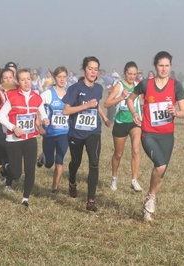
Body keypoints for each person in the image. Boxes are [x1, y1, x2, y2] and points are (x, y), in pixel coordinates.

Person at [127, 51, 184, 222]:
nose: (164, 69)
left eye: (167, 66)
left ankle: (149, 202)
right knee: (159, 167)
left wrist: (175, 112)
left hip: (167, 136)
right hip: (149, 134)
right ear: (155, 66)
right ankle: (151, 199)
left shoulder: (176, 86)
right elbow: (130, 99)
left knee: (161, 174)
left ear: (170, 67)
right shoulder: (146, 84)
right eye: (161, 65)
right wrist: (134, 113)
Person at [62, 56, 111, 212]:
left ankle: (91, 200)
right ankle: (72, 182)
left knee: (94, 163)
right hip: (76, 133)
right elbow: (66, 110)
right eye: (90, 68)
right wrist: (85, 106)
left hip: (93, 131)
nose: (93, 72)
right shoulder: (75, 88)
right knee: (75, 162)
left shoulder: (98, 89)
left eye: (96, 69)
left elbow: (95, 106)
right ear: (84, 70)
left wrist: (103, 117)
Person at [0, 69, 49, 207]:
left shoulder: (36, 96)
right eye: (22, 80)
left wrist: (45, 119)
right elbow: (0, 117)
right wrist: (14, 127)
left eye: (28, 79)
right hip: (14, 140)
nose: (26, 82)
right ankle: (6, 167)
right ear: (18, 82)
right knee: (16, 174)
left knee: (30, 169)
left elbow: (41, 110)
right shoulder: (12, 96)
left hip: (30, 138)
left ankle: (25, 199)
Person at [104, 61, 143, 192]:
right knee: (118, 154)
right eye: (129, 74)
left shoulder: (138, 85)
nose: (132, 76)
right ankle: (114, 178)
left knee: (136, 150)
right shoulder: (119, 85)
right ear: (124, 73)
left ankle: (134, 180)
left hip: (135, 122)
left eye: (134, 74)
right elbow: (107, 103)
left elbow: (141, 100)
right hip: (120, 122)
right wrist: (121, 97)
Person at [36, 66, 69, 194]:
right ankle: (43, 157)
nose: (62, 79)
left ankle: (54, 188)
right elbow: (37, 103)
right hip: (49, 133)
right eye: (59, 77)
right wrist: (43, 117)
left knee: (59, 161)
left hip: (64, 133)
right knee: (49, 163)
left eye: (64, 77)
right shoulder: (48, 93)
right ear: (55, 78)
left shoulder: (69, 93)